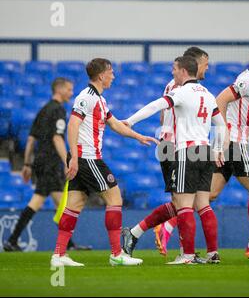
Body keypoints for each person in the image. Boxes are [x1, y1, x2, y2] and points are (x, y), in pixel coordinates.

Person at [154, 45, 249, 260]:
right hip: (236, 144)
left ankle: (168, 225)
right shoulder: (248, 79)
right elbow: (221, 100)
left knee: (208, 196)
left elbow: (238, 108)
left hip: (230, 144)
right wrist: (223, 138)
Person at [50, 58, 158, 267]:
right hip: (88, 158)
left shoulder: (99, 99)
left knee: (74, 204)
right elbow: (73, 125)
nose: (113, 76)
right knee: (115, 198)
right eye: (110, 72)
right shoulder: (87, 97)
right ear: (101, 75)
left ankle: (59, 255)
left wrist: (138, 136)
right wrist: (73, 157)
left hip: (84, 158)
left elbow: (115, 124)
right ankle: (117, 254)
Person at [121, 55, 226, 264]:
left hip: (185, 151)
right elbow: (221, 125)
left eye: (174, 69)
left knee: (184, 205)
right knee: (203, 204)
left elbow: (155, 107)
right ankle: (212, 254)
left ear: (184, 70)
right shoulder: (208, 93)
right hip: (205, 151)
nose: (172, 72)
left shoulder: (180, 91)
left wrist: (130, 121)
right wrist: (219, 149)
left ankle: (186, 255)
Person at [3, 78, 89, 252]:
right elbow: (57, 138)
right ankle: (13, 240)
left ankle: (14, 240)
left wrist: (27, 164)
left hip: (40, 161)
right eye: (69, 89)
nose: (72, 93)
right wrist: (68, 160)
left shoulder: (43, 110)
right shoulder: (58, 110)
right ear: (60, 90)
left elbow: (30, 139)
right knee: (53, 203)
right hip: (51, 162)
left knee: (52, 202)